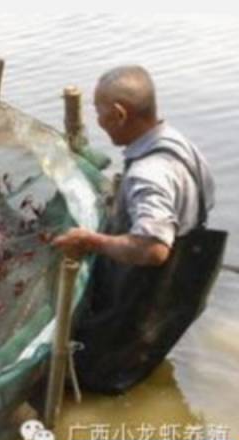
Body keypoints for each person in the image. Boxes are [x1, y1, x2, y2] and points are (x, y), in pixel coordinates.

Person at [52, 65, 223, 394]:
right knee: (144, 347)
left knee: (95, 376)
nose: (98, 121)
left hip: (145, 289)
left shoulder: (148, 172)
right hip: (180, 284)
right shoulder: (179, 143)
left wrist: (90, 239)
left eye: (99, 112)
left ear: (118, 114)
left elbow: (153, 249)